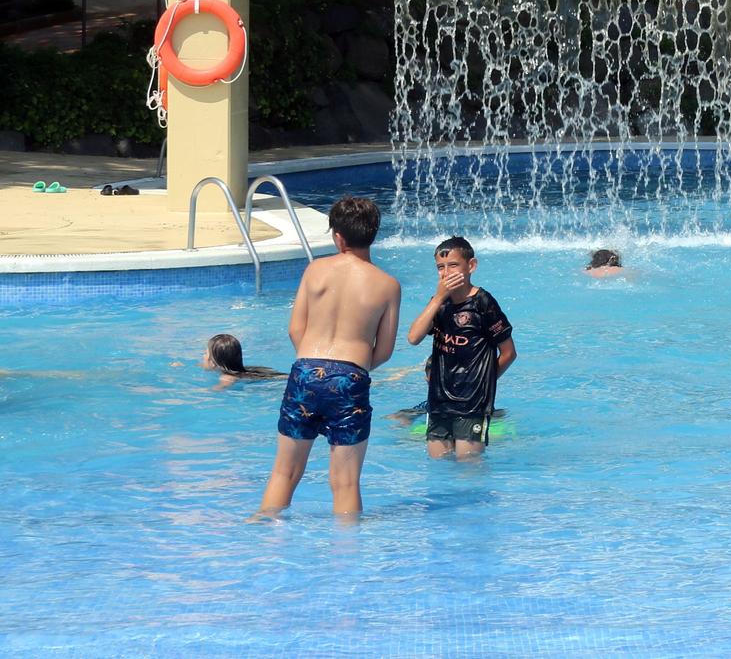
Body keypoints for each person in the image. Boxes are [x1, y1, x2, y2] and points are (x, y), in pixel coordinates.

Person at [257, 196, 401, 520]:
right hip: (350, 376)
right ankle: (346, 560)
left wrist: (313, 365)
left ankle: (263, 535)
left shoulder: (315, 270)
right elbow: (385, 350)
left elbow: (296, 329)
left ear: (338, 236)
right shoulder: (388, 285)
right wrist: (352, 370)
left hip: (305, 370)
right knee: (346, 482)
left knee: (285, 473)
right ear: (374, 233)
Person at [406, 236, 516, 460]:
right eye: (440, 267)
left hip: (472, 406)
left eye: (453, 265)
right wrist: (437, 298)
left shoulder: (483, 303)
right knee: (440, 469)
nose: (446, 272)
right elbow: (413, 337)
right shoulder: (439, 303)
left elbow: (508, 353)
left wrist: (483, 384)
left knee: (468, 468)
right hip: (438, 403)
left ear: (471, 266)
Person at [203, 333, 282, 388]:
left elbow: (216, 391)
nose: (203, 356)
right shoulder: (237, 369)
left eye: (205, 353)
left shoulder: (227, 377)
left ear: (213, 362)